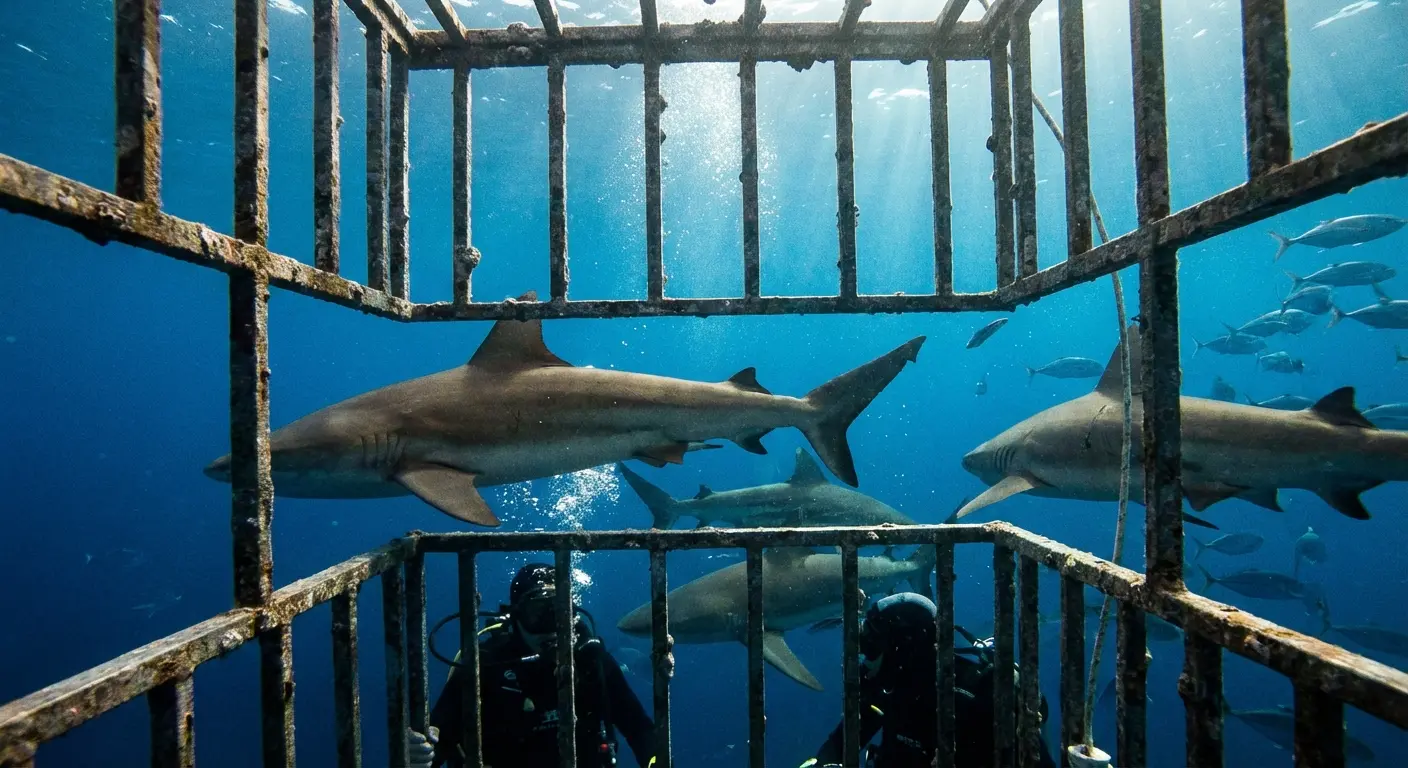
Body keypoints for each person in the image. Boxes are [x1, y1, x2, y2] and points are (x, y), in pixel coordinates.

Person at [407, 563, 655, 768]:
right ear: (516, 618)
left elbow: (640, 729)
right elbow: (439, 738)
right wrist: (420, 753)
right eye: (537, 614)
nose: (550, 628)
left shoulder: (590, 659)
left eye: (557, 614)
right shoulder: (488, 665)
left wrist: (655, 762)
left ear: (572, 615)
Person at [800, 593, 1058, 768]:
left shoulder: (977, 698)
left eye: (872, 650)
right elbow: (841, 742)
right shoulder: (888, 689)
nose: (865, 662)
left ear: (901, 649)